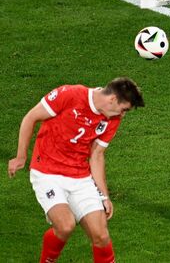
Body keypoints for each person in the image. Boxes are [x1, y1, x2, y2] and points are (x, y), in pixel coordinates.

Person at [8, 77, 145, 262]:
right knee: (65, 226)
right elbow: (31, 117)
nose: (122, 115)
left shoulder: (111, 118)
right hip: (47, 173)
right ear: (112, 99)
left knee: (101, 236)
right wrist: (21, 156)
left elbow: (96, 156)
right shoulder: (70, 94)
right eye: (124, 110)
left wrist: (104, 195)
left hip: (80, 177)